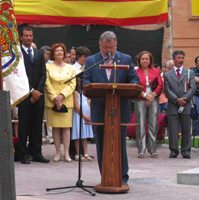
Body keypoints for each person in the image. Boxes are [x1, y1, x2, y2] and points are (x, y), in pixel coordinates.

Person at [83, 31, 139, 185]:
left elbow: (134, 79)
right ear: (100, 45)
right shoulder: (91, 61)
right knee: (101, 144)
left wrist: (128, 88)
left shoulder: (125, 59)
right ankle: (106, 177)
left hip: (119, 109)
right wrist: (90, 88)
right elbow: (85, 81)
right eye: (105, 47)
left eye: (112, 47)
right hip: (100, 109)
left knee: (119, 144)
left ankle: (122, 178)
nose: (109, 50)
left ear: (116, 45)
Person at [19, 27, 49, 164]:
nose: (29, 38)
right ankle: (23, 153)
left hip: (39, 94)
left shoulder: (38, 53)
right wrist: (31, 91)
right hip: (24, 95)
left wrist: (37, 91)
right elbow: (18, 75)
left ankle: (36, 152)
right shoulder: (17, 54)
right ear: (21, 37)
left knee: (37, 124)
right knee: (24, 125)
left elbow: (43, 74)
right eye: (26, 35)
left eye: (30, 35)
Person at [45, 43, 76, 162]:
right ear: (53, 54)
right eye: (57, 51)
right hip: (52, 101)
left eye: (61, 51)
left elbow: (72, 84)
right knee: (56, 127)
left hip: (66, 100)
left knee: (66, 128)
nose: (59, 52)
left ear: (64, 53)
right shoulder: (48, 67)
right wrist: (55, 98)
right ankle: (58, 152)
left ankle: (67, 153)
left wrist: (62, 95)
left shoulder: (71, 68)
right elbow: (47, 83)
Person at [164, 50, 196, 159]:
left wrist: (184, 99)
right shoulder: (168, 75)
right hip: (173, 105)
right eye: (178, 58)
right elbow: (167, 90)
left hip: (186, 105)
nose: (181, 60)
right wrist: (176, 99)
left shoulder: (189, 73)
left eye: (182, 58)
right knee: (173, 129)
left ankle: (186, 151)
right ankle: (173, 150)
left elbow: (192, 88)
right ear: (173, 59)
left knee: (186, 128)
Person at [134, 51, 163, 158]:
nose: (145, 61)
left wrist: (152, 95)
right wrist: (145, 95)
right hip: (140, 99)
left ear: (150, 60)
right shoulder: (136, 72)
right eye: (143, 59)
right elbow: (134, 85)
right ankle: (141, 150)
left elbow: (160, 84)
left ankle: (152, 149)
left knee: (153, 124)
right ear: (139, 61)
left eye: (147, 59)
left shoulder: (156, 71)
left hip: (154, 99)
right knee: (140, 124)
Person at [72, 78, 94, 161]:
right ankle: (78, 154)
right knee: (78, 135)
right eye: (79, 81)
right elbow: (76, 106)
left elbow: (88, 103)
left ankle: (86, 153)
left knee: (84, 136)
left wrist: (90, 115)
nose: (80, 83)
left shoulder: (85, 92)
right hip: (79, 116)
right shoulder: (75, 92)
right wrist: (84, 116)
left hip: (86, 116)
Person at [191, 56, 199, 136]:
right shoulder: (192, 71)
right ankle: (196, 134)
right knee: (197, 112)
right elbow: (192, 80)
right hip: (196, 95)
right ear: (196, 63)